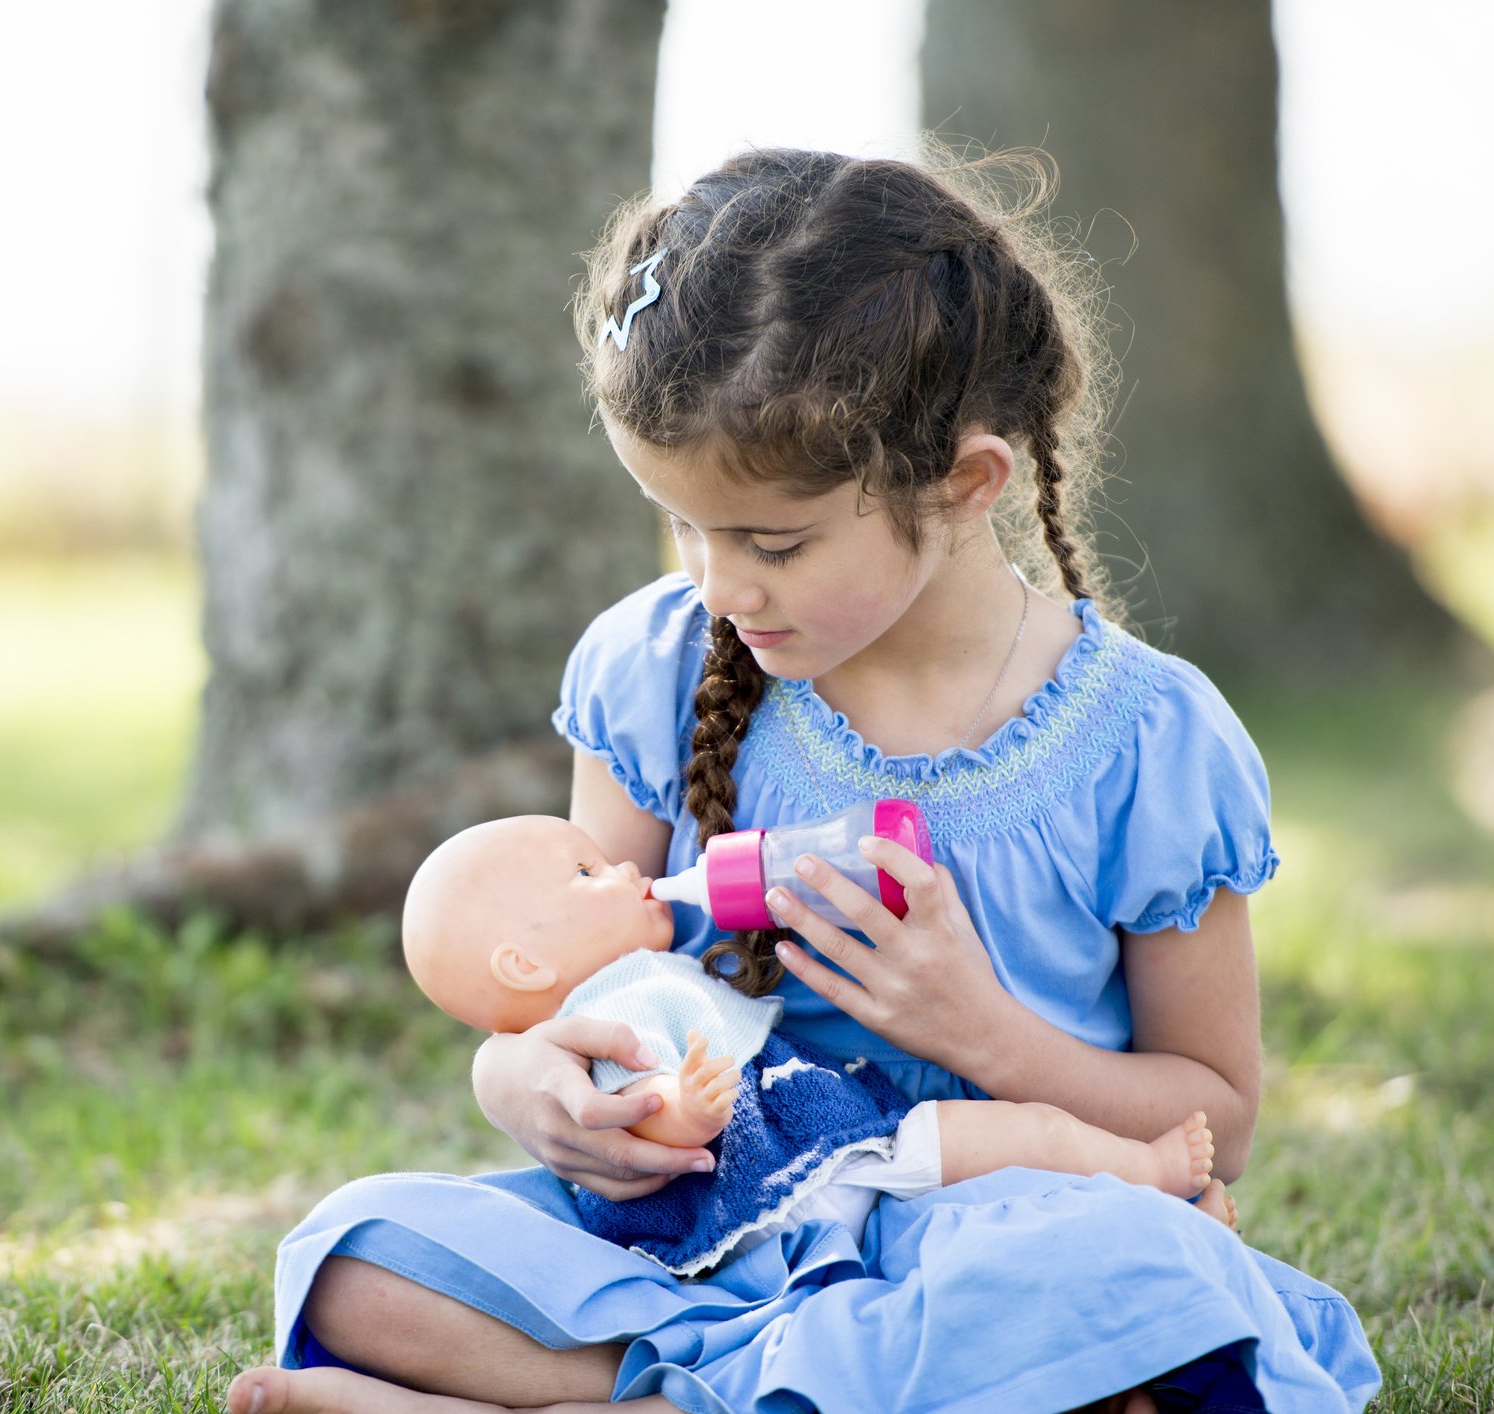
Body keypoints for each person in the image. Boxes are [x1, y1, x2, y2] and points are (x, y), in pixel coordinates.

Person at [227, 148, 1380, 1414]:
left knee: (1135, 1287)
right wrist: (529, 1086)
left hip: (991, 1237)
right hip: (706, 1239)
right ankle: (749, 1388)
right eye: (683, 526)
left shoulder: (1147, 742)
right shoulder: (654, 668)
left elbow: (1216, 1116)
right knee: (352, 1254)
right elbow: (571, 985)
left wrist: (973, 1027)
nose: (719, 584)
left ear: (965, 484)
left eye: (771, 540)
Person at [400, 813, 1225, 1279]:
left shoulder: (644, 976)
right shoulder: (614, 1009)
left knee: (1005, 1187)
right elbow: (642, 1126)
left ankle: (1152, 1213)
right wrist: (683, 1111)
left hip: (826, 1167)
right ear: (524, 963)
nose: (621, 866)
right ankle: (1150, 1183)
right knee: (1022, 1142)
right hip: (792, 1187)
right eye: (586, 877)